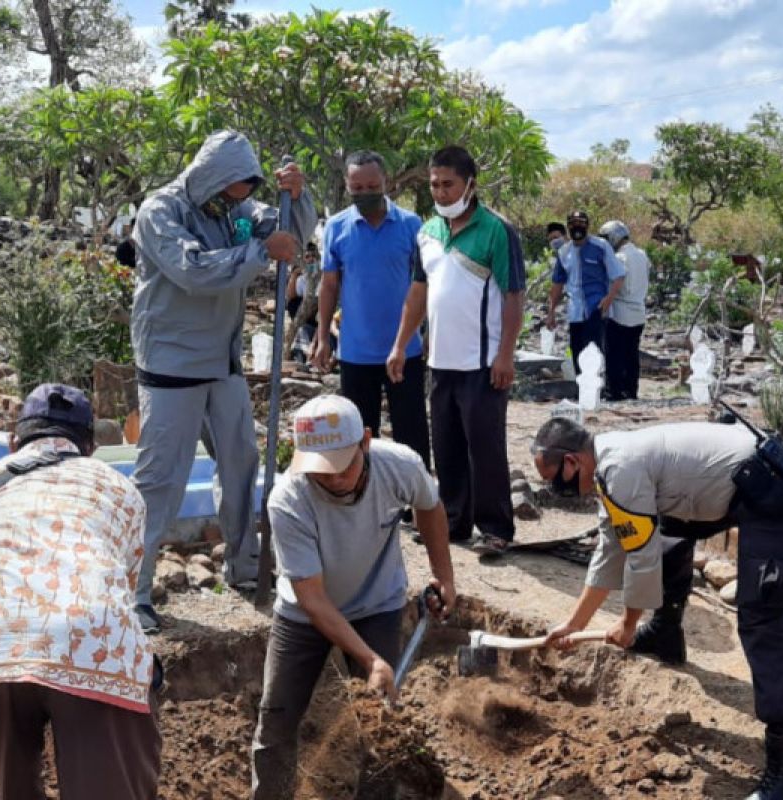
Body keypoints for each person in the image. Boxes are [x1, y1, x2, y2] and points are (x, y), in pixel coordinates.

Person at [533, 417, 783, 800]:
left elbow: (640, 559)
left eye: (554, 480)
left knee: (762, 618)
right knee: (667, 533)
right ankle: (666, 632)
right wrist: (573, 624)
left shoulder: (619, 468)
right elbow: (611, 547)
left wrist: (627, 624)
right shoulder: (608, 468)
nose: (556, 490)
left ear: (572, 462)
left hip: (773, 488)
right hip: (741, 483)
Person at [0, 384, 160, 800]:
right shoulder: (120, 489)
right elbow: (120, 593)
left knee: (11, 785)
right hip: (89, 637)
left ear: (13, 441)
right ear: (88, 446)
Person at [130, 130, 316, 632]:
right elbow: (190, 269)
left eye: (245, 194)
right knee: (160, 481)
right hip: (172, 368)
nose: (239, 203)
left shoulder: (234, 209)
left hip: (222, 364)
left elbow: (284, 233)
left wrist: (297, 198)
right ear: (213, 179)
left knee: (241, 464)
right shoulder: (160, 212)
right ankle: (136, 590)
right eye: (232, 192)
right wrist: (259, 254)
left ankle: (243, 568)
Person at [250, 395, 456, 799]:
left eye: (344, 465)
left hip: (377, 603)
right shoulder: (288, 500)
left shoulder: (400, 465)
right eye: (322, 471)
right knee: (276, 718)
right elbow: (314, 600)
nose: (335, 479)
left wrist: (443, 575)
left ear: (365, 441)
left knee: (381, 722)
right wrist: (372, 660)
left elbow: (430, 508)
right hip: (304, 616)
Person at [389, 145, 526, 557]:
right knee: (446, 446)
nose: (441, 192)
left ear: (470, 184)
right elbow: (418, 293)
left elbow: (513, 296)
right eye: (435, 185)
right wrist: (400, 345)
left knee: (485, 448)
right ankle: (454, 522)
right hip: (440, 361)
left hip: (482, 364)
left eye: (449, 184)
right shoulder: (427, 232)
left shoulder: (496, 231)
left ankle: (496, 528)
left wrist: (505, 355)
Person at [313, 151, 430, 467]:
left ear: (386, 182)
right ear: (348, 186)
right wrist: (323, 337)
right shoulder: (337, 227)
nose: (365, 193)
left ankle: (417, 507)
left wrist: (416, 338)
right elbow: (329, 286)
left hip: (404, 351)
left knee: (412, 435)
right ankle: (366, 507)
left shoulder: (411, 225)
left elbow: (423, 287)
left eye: (371, 185)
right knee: (360, 438)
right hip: (355, 353)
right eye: (357, 187)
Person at [546, 210, 626, 374]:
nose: (577, 227)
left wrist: (609, 299)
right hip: (575, 311)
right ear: (568, 227)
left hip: (596, 308)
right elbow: (557, 284)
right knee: (577, 351)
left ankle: (598, 391)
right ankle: (582, 391)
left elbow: (618, 275)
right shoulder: (564, 252)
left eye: (581, 223)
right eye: (573, 224)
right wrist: (551, 312)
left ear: (587, 226)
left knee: (595, 351)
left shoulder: (601, 246)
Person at [598, 220, 650, 400]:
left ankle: (614, 391)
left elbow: (615, 283)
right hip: (639, 311)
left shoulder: (619, 258)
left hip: (620, 311)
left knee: (614, 354)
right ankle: (631, 390)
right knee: (631, 354)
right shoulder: (642, 255)